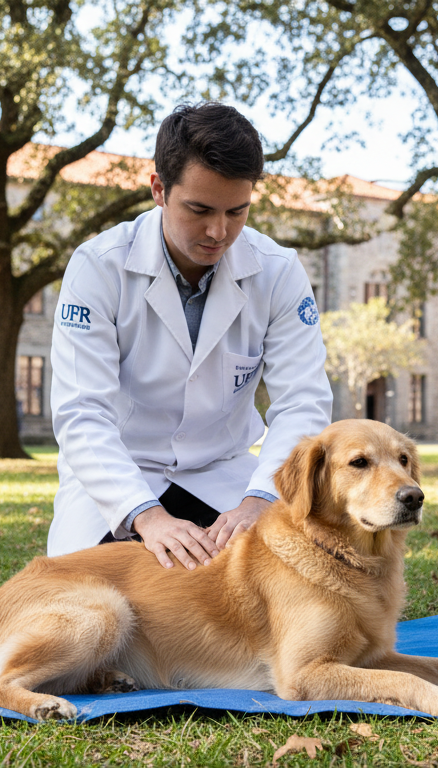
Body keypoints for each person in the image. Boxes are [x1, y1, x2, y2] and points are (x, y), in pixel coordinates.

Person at [48, 102, 333, 570]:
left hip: (227, 480)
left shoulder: (279, 271)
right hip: (122, 478)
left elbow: (301, 402)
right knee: (96, 592)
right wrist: (149, 516)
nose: (219, 232)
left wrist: (261, 501)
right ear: (159, 188)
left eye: (236, 212)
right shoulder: (98, 266)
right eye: (199, 209)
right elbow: (82, 412)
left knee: (292, 582)